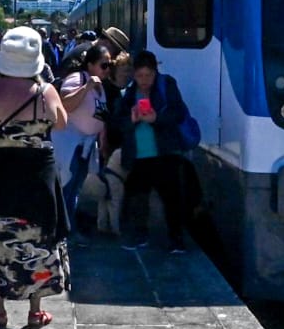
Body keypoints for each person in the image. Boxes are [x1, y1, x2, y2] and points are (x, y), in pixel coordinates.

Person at [0, 26, 69, 329]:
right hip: (35, 179)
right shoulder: (44, 92)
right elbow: (61, 123)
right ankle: (35, 311)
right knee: (37, 235)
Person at [113, 50, 193, 254]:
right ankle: (139, 235)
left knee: (172, 198)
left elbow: (178, 113)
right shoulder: (130, 93)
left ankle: (176, 239)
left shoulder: (167, 85)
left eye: (148, 75)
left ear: (155, 73)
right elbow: (118, 123)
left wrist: (156, 118)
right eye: (139, 76)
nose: (144, 81)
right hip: (139, 155)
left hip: (165, 153)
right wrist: (131, 121)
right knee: (137, 197)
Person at [51, 42, 111, 226]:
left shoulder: (101, 86)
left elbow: (101, 116)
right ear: (90, 65)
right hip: (70, 145)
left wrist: (103, 139)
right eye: (104, 65)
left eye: (110, 65)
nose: (107, 70)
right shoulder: (79, 79)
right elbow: (64, 104)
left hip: (87, 146)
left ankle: (68, 228)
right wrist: (86, 88)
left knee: (75, 189)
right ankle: (62, 228)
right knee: (66, 189)